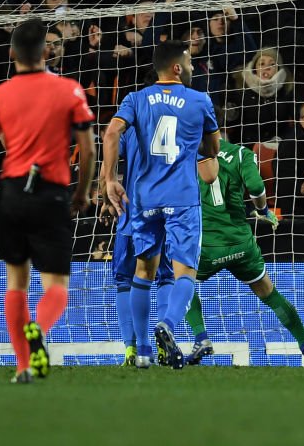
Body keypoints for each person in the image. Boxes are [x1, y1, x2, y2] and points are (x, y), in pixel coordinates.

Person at [0, 19, 97, 384]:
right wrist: (82, 192)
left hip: (11, 195)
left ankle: (23, 366)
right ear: (46, 51)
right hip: (51, 193)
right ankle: (38, 329)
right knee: (55, 284)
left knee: (16, 282)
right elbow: (88, 150)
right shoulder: (70, 91)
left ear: (11, 54)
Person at [102, 40, 221, 370]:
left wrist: (108, 178)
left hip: (143, 199)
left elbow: (111, 134)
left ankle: (141, 351)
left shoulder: (135, 99)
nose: (195, 68)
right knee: (185, 273)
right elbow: (212, 148)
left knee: (142, 272)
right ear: (178, 67)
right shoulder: (199, 100)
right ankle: (167, 324)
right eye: (191, 63)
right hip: (181, 198)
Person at [184, 134, 304, 367]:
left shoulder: (185, 156)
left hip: (206, 247)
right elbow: (257, 187)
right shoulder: (241, 153)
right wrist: (263, 210)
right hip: (241, 245)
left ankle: (201, 337)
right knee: (270, 293)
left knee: (179, 280)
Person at [109, 127, 176, 369]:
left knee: (125, 280)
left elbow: (111, 143)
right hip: (168, 215)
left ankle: (131, 348)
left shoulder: (132, 121)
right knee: (167, 277)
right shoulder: (181, 118)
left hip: (132, 215)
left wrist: (108, 180)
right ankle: (163, 341)